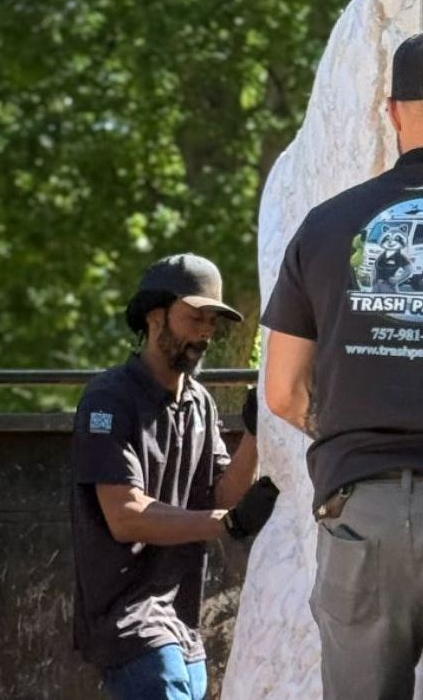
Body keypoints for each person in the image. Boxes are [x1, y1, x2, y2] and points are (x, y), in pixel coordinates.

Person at [262, 25, 423, 700]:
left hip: (358, 515)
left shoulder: (325, 227)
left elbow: (283, 390)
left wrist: (359, 426)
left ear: (392, 111)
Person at [71, 253, 279, 700]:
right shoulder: (108, 399)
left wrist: (258, 435)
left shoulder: (200, 403)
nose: (206, 332)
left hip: (184, 625)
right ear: (154, 317)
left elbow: (222, 493)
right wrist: (228, 523)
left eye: (212, 321)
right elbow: (126, 515)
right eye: (194, 317)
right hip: (129, 621)